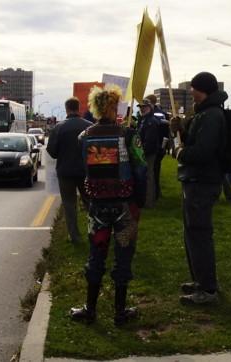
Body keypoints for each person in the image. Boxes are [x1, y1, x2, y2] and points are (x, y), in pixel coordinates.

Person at [70, 84, 147, 326]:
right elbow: (142, 169)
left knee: (96, 255)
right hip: (125, 206)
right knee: (123, 256)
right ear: (114, 107)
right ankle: (120, 312)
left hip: (98, 206)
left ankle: (90, 309)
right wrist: (140, 200)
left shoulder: (84, 137)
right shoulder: (128, 134)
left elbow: (83, 170)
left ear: (94, 108)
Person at [170, 71, 227, 305]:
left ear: (201, 89)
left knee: (200, 235)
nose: (190, 92)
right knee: (192, 234)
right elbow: (192, 141)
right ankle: (200, 280)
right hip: (195, 181)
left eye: (193, 88)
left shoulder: (212, 115)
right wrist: (179, 130)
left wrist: (181, 152)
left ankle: (207, 289)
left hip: (202, 182)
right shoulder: (203, 113)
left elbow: (203, 152)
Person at [46, 97, 92, 243]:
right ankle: (95, 231)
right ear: (78, 108)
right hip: (85, 172)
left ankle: (74, 236)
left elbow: (52, 151)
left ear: (66, 109)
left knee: (69, 203)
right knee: (90, 202)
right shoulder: (89, 127)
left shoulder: (58, 128)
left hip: (65, 172)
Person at [145, 94, 170, 200]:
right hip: (160, 145)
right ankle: (157, 192)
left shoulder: (154, 115)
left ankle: (154, 194)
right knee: (156, 171)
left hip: (154, 146)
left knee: (152, 172)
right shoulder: (163, 114)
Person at [137, 98, 160, 208]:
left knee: (149, 177)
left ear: (150, 108)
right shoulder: (143, 120)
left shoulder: (151, 121)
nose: (142, 109)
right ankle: (147, 200)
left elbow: (149, 141)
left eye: (144, 107)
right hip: (145, 151)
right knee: (147, 176)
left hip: (149, 153)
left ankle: (149, 202)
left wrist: (142, 152)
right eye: (140, 107)